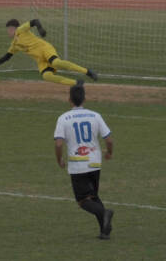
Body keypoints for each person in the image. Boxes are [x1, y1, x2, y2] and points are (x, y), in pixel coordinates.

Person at [54, 84, 114, 239]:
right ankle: (104, 231)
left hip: (78, 164)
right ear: (84, 99)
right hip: (95, 163)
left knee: (82, 201)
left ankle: (104, 213)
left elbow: (58, 144)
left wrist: (59, 159)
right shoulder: (95, 116)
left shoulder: (63, 118)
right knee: (93, 196)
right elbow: (108, 140)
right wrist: (109, 153)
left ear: (69, 100)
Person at [0, 19, 98, 86]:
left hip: (45, 49)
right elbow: (7, 57)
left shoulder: (21, 30)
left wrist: (40, 29)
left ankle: (87, 71)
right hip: (40, 60)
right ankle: (76, 83)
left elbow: (35, 21)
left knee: (56, 63)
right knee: (46, 76)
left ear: (13, 28)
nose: (8, 32)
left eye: (8, 30)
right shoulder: (14, 45)